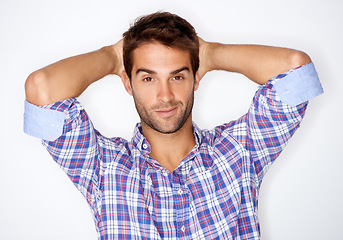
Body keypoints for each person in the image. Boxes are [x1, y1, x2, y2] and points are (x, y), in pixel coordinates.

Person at [24, 11, 323, 239]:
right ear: (128, 83)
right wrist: (113, 56)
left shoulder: (240, 150)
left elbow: (296, 70)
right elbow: (42, 88)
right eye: (148, 78)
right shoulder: (102, 167)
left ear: (195, 78)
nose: (165, 96)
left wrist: (209, 54)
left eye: (178, 76)